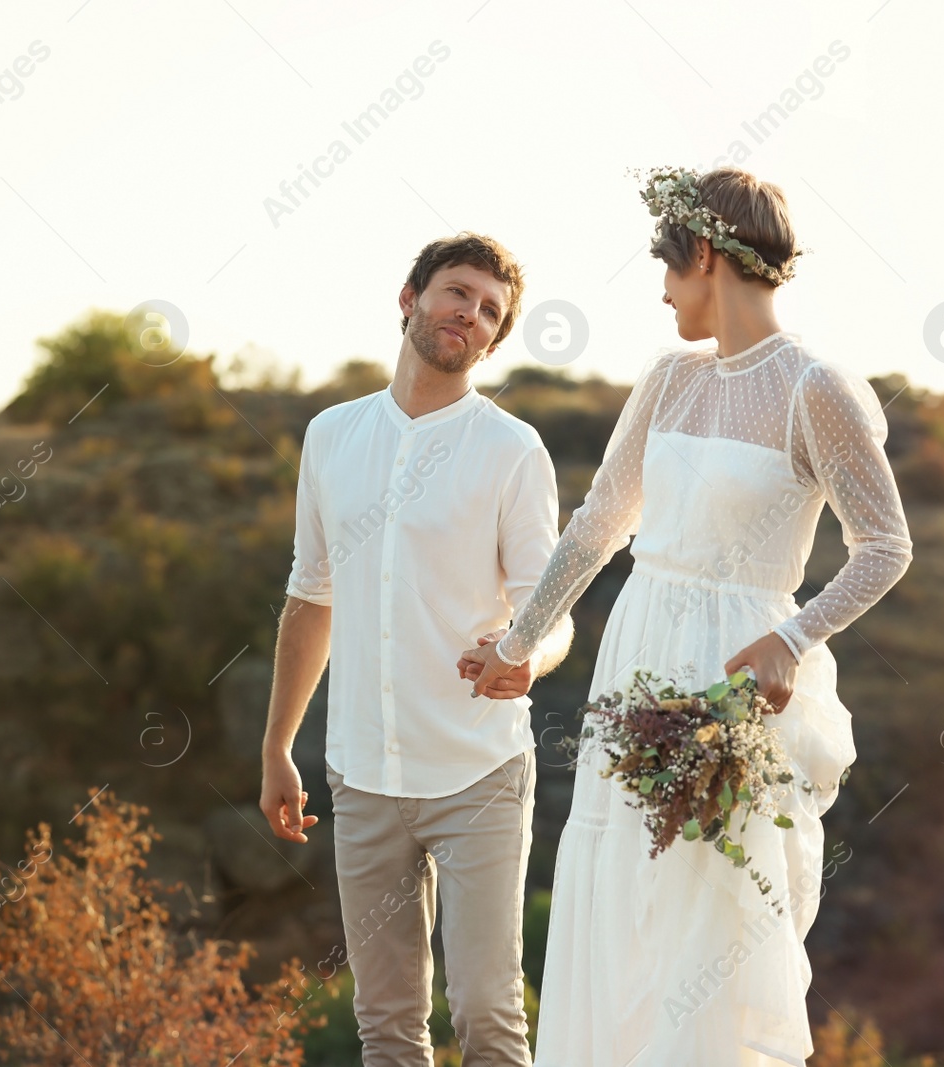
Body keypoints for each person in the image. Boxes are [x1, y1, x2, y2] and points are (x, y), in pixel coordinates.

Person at [457, 166, 914, 1066]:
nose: (662, 292)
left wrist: (791, 638)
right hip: (637, 657)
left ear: (703, 254)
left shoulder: (814, 388)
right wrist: (516, 643)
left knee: (715, 912)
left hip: (732, 685)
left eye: (667, 267)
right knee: (626, 898)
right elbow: (597, 527)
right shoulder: (668, 377)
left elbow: (886, 546)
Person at [260, 233, 575, 1065]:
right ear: (410, 297)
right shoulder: (330, 434)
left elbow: (556, 613)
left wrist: (525, 658)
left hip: (479, 774)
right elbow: (309, 596)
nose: (468, 314)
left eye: (489, 311)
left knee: (486, 1013)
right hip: (360, 774)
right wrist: (277, 748)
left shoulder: (512, 451)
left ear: (493, 338)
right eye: (457, 292)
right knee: (389, 1025)